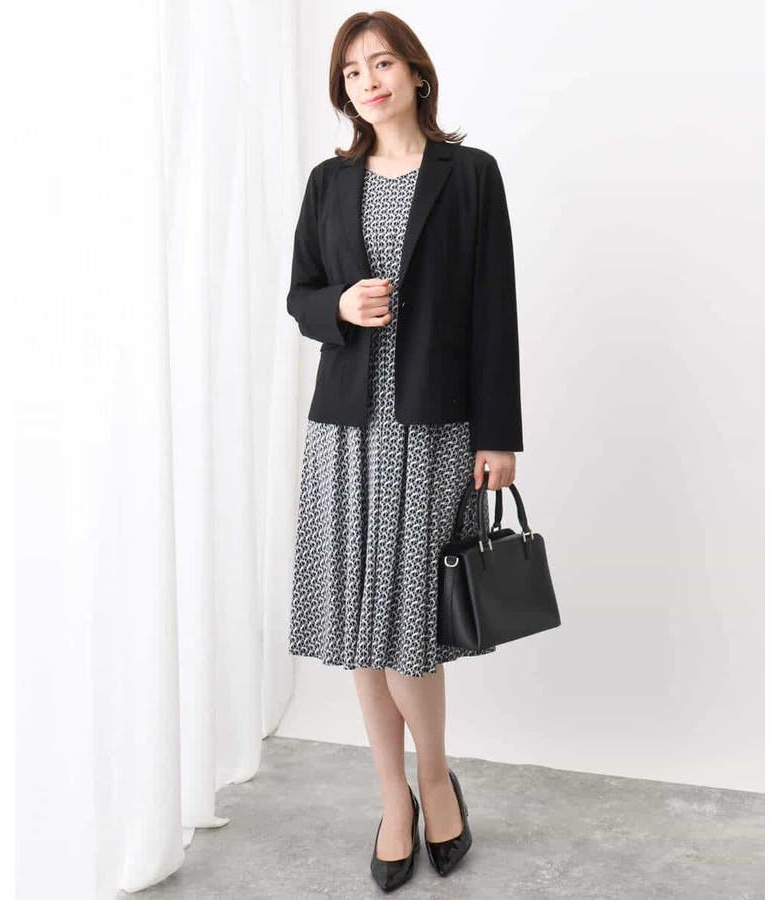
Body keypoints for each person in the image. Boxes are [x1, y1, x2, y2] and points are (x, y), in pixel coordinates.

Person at [286, 11, 523, 892]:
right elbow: (301, 293)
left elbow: (494, 308)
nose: (368, 82)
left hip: (433, 431)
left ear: (416, 72)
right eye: (351, 73)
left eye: (381, 63)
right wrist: (339, 308)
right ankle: (394, 796)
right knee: (362, 623)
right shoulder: (328, 181)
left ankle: (436, 778)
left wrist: (499, 435)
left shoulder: (471, 175)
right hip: (345, 431)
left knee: (411, 627)